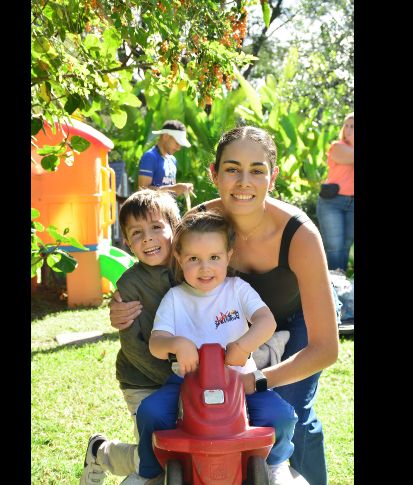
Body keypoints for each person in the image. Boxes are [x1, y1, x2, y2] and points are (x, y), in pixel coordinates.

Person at [111, 126, 340, 485]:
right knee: (204, 417)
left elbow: (326, 348)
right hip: (224, 336)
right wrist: (122, 301)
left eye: (257, 170)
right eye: (232, 169)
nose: (243, 181)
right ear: (213, 174)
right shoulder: (198, 224)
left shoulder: (300, 235)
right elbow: (155, 265)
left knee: (292, 410)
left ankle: (291, 472)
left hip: (297, 319)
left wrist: (258, 380)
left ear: (272, 177)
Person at [136, 210, 299, 484]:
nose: (205, 268)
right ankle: (150, 471)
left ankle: (276, 463)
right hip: (186, 382)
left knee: (281, 416)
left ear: (228, 256)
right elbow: (156, 343)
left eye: (214, 258)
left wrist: (243, 344)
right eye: (193, 259)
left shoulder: (237, 289)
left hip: (240, 380)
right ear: (179, 259)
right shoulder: (175, 299)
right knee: (150, 413)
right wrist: (176, 343)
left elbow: (266, 321)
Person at [79, 190, 181, 485]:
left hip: (186, 380)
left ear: (176, 228)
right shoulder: (130, 285)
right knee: (155, 455)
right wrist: (172, 379)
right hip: (143, 380)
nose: (148, 238)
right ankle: (102, 453)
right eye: (137, 233)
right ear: (127, 242)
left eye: (156, 228)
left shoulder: (189, 268)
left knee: (178, 449)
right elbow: (133, 347)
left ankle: (100, 452)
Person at [316, 114, 354, 271]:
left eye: (353, 126)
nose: (348, 129)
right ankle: (332, 285)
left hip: (352, 204)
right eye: (346, 125)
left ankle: (341, 284)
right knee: (334, 246)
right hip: (332, 202)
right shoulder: (337, 147)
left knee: (346, 245)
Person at [137, 120, 195, 197]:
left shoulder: (172, 160)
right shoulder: (150, 157)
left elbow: (171, 192)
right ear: (165, 136)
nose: (178, 148)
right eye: (177, 143)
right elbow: (142, 191)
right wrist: (172, 189)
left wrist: (181, 189)